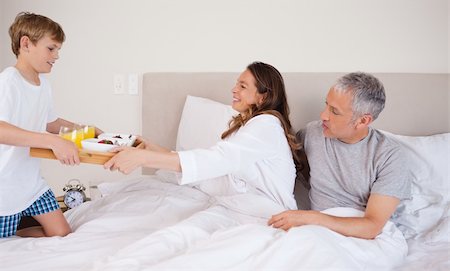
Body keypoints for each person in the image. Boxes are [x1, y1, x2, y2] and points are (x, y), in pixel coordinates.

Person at [105, 61, 299, 210]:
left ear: (262, 96)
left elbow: (217, 160)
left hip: (267, 213)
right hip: (245, 207)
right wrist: (149, 148)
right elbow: (212, 169)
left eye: (243, 86)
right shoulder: (248, 127)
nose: (234, 89)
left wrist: (145, 158)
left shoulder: (266, 125)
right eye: (236, 84)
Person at [268, 72, 411, 241]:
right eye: (326, 105)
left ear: (363, 121)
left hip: (364, 237)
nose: (323, 115)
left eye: (334, 111)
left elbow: (372, 226)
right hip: (318, 232)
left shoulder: (390, 156)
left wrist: (310, 218)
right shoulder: (312, 134)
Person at [0, 12, 102, 238]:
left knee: (61, 233)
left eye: (58, 50)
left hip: (32, 184)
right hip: (4, 186)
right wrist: (52, 142)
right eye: (51, 48)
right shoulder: (9, 81)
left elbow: (51, 122)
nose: (56, 56)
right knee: (5, 244)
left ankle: (20, 234)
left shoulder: (42, 85)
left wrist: (86, 131)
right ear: (26, 43)